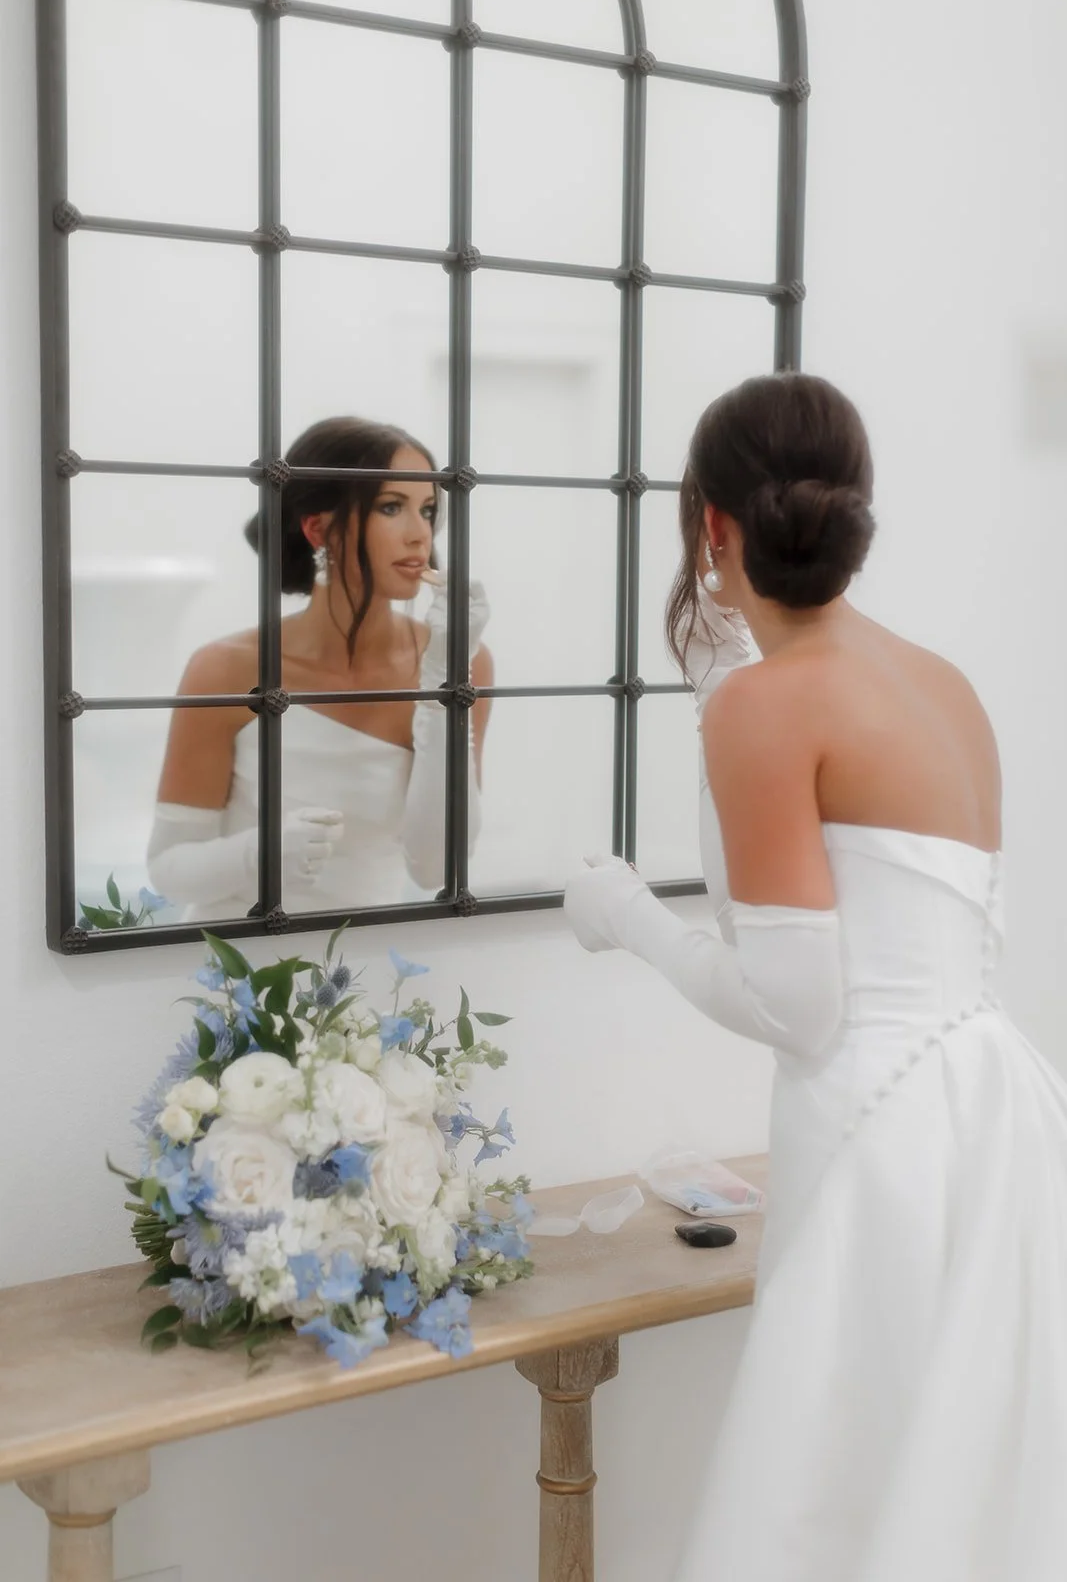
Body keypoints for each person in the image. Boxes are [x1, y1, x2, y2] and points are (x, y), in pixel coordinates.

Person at [564, 372, 1067, 1581]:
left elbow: (795, 1007)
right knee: (962, 1482)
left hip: (873, 1132)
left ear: (711, 523)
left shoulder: (765, 705)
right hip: (996, 1109)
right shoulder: (937, 679)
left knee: (834, 1489)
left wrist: (626, 914)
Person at [146, 417, 491, 920]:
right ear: (318, 528)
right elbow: (167, 868)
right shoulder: (224, 669)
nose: (420, 534)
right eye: (391, 507)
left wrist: (444, 682)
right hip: (234, 978)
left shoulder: (466, 662)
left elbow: (436, 868)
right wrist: (259, 855)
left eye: (428, 510)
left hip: (365, 979)